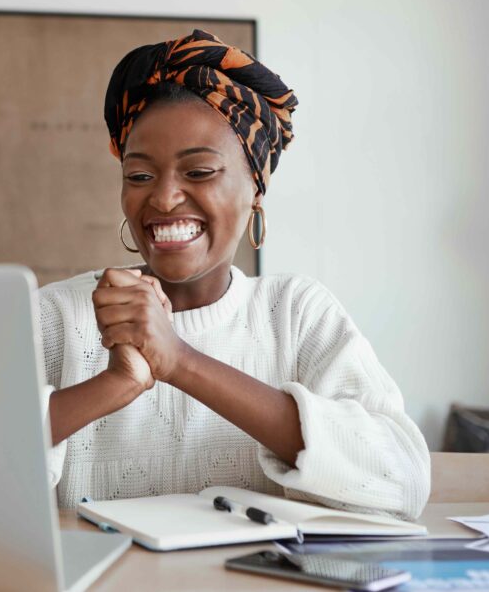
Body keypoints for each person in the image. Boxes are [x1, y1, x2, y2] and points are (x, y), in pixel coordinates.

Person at [39, 29, 430, 520]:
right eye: (139, 176)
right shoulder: (55, 316)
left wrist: (179, 360)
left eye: (199, 172)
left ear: (256, 189)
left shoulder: (296, 313)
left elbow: (402, 482)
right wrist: (115, 383)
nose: (162, 199)